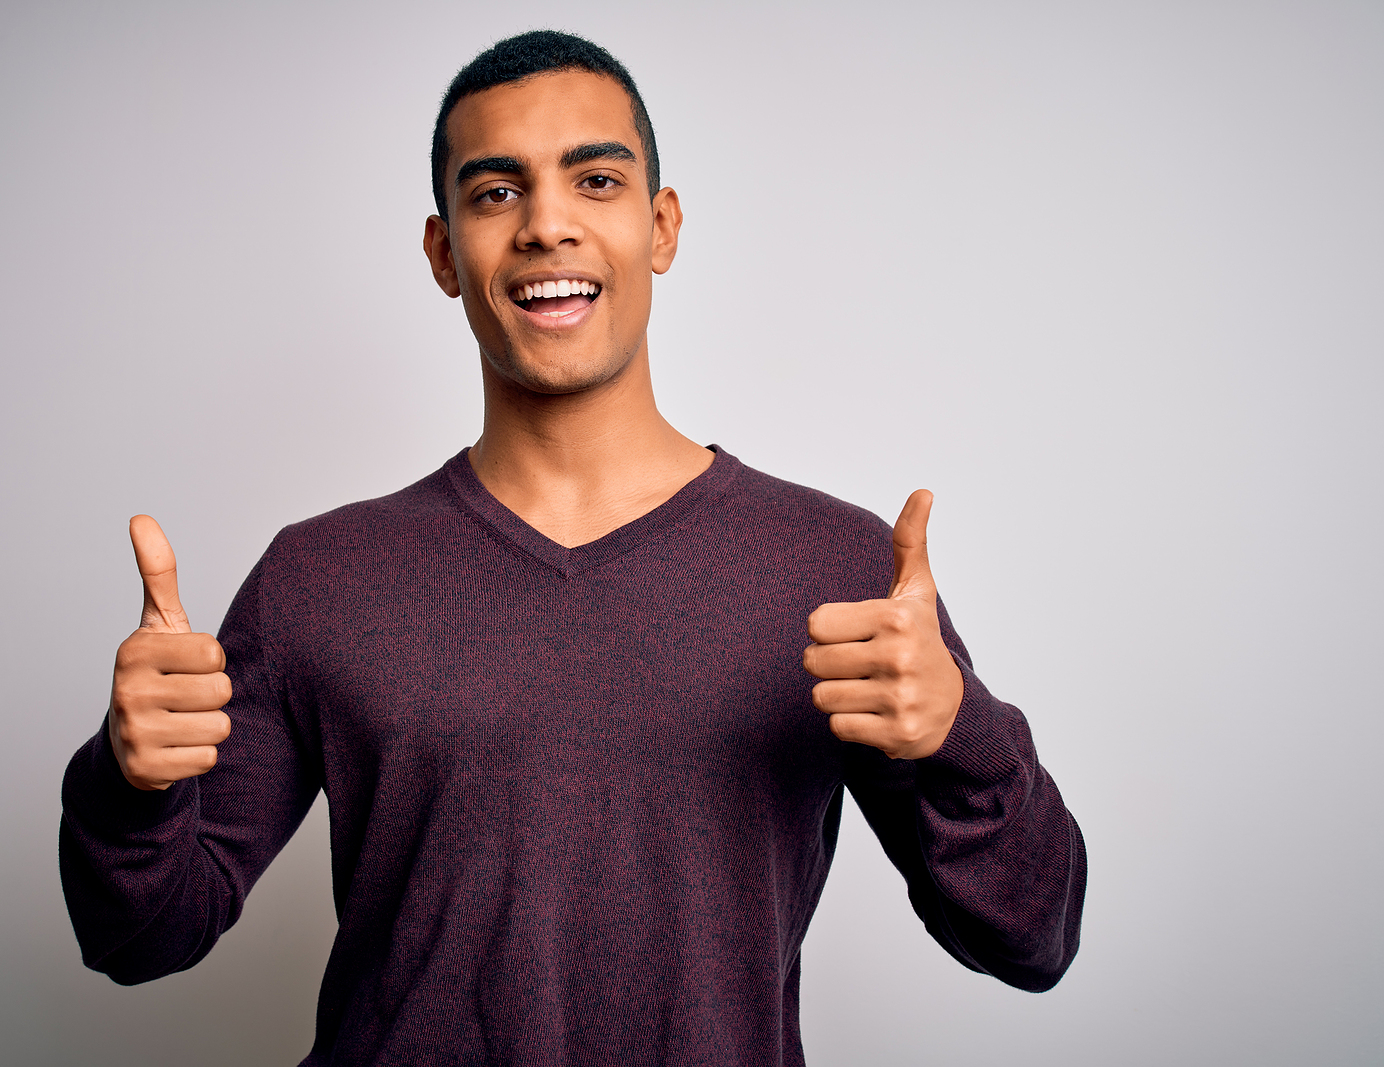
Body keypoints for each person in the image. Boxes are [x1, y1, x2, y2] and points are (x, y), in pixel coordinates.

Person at [60, 30, 1086, 1067]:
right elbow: (140, 937)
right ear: (442, 253)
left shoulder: (834, 568)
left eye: (595, 179)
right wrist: (127, 781)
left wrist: (965, 734)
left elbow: (1031, 936)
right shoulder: (320, 578)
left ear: (661, 225)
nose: (547, 224)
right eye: (496, 192)